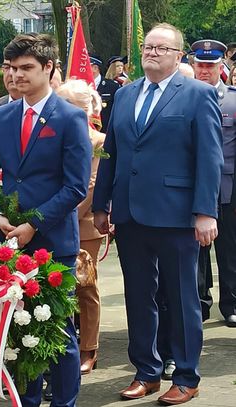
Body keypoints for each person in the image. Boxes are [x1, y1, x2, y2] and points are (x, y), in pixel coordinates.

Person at [93, 23, 223, 405]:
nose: (152, 52)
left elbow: (209, 157)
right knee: (138, 296)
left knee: (181, 297)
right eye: (148, 46)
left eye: (161, 48)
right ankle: (146, 371)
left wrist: (205, 212)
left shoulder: (197, 95)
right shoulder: (126, 93)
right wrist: (102, 204)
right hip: (131, 214)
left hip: (178, 215)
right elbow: (112, 153)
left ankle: (185, 375)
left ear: (178, 56)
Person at [0, 33, 91, 407]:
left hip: (53, 241)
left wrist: (34, 224)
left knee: (57, 330)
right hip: (9, 242)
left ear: (49, 69)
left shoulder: (71, 118)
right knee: (16, 327)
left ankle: (64, 402)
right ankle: (25, 400)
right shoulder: (0, 116)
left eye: (27, 68)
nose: (16, 75)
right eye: (11, 68)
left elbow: (75, 187)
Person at [56, 79, 106, 376]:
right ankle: (62, 344)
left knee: (85, 288)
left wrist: (56, 217)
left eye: (77, 106)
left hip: (83, 226)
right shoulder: (53, 137)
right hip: (51, 223)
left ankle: (89, 348)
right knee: (58, 288)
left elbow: (91, 186)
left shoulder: (99, 141)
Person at [191, 39, 236, 327]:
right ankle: (200, 302)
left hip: (227, 187)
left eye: (210, 65)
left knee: (230, 249)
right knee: (196, 251)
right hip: (191, 186)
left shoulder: (233, 99)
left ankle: (231, 302)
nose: (205, 70)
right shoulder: (184, 97)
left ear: (222, 66)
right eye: (200, 65)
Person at [90, 55, 120, 131]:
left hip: (105, 132)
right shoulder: (80, 85)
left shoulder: (112, 86)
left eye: (86, 66)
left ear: (95, 68)